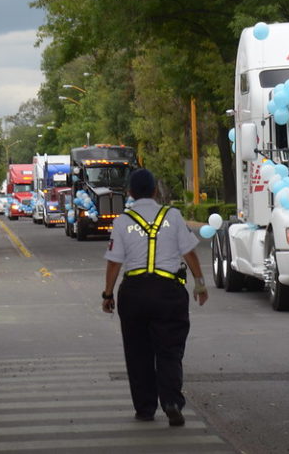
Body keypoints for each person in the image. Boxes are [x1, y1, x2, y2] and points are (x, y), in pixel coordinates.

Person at [102, 168, 208, 427]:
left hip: (134, 293)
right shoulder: (172, 216)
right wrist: (200, 284)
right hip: (168, 293)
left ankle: (145, 408)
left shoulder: (123, 221)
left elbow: (114, 263)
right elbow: (189, 253)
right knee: (170, 351)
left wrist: (107, 294)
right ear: (155, 191)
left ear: (129, 192)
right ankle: (171, 401)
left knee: (137, 352)